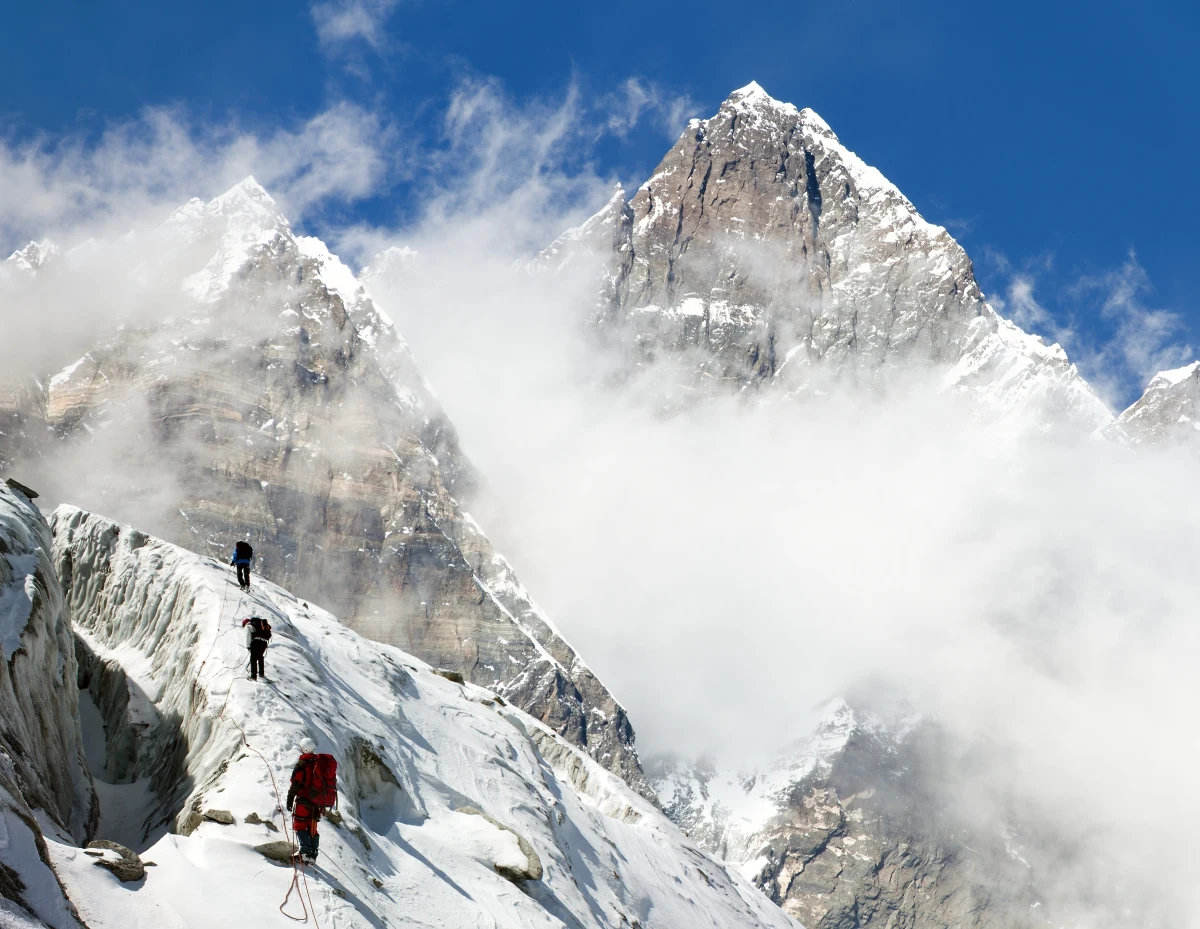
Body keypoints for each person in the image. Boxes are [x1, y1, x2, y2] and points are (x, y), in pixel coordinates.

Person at [287, 737, 324, 864]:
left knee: (300, 824)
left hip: (304, 800)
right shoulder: (319, 763)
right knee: (312, 826)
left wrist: (290, 798)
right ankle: (313, 854)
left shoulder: (302, 763)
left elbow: (295, 783)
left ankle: (305, 853)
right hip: (317, 803)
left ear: (303, 749)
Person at [241, 616, 272, 681]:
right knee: (260, 657)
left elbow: (248, 637)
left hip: (256, 642)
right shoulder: (257, 625)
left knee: (253, 659)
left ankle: (253, 676)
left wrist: (248, 646)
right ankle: (261, 673)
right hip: (264, 643)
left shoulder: (248, 626)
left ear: (244, 624)